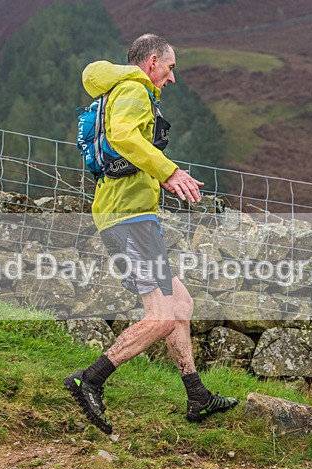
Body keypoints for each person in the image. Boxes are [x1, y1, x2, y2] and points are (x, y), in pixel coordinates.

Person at [64, 34, 239, 435]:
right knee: (161, 317)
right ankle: (88, 380)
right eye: (171, 68)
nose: (172, 78)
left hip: (131, 216)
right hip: (127, 220)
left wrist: (154, 179)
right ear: (154, 61)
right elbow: (123, 136)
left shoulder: (119, 89)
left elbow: (125, 146)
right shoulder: (134, 90)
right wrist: (169, 171)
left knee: (180, 304)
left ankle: (197, 396)